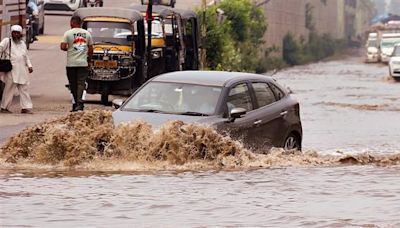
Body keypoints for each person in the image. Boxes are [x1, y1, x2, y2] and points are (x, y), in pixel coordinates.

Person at [60, 16, 93, 112]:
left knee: (73, 84)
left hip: (71, 63)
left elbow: (62, 46)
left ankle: (76, 104)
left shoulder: (68, 33)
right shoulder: (87, 34)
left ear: (71, 23)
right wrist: (89, 60)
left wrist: (70, 49)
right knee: (81, 84)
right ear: (81, 23)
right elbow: (91, 49)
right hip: (83, 63)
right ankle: (79, 104)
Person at [0, 25, 34, 114]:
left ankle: (26, 107)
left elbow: (25, 56)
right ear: (11, 33)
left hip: (22, 70)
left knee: (24, 89)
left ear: (20, 34)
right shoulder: (7, 41)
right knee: (9, 90)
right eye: (14, 32)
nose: (15, 34)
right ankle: (4, 107)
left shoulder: (22, 44)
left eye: (17, 33)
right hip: (11, 70)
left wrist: (29, 66)